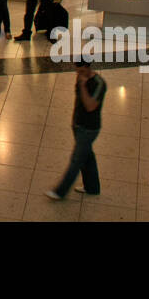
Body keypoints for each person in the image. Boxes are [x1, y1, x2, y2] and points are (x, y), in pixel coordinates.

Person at [46, 59, 107, 200]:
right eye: (77, 71)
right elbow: (78, 101)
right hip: (79, 126)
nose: (78, 74)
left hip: (89, 129)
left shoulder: (99, 84)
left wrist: (83, 85)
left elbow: (90, 106)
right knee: (88, 157)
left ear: (87, 67)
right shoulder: (81, 78)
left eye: (80, 71)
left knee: (76, 160)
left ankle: (59, 192)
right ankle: (92, 188)